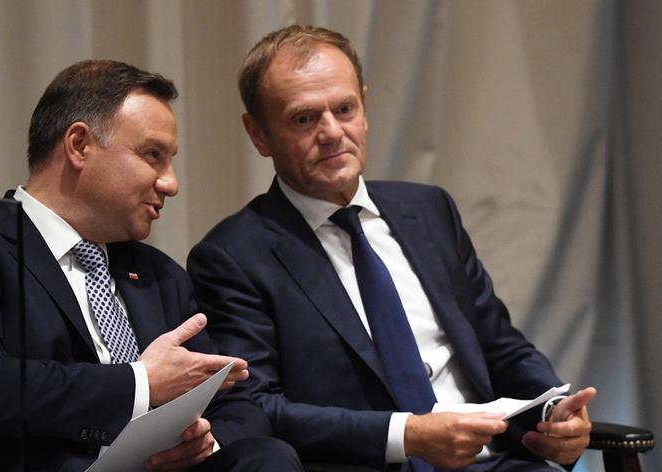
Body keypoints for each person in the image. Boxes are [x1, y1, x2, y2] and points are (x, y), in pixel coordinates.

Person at [187, 25, 596, 471]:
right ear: (259, 134)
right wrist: (407, 436)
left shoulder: (429, 210)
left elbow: (500, 347)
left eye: (345, 109)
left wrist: (554, 411)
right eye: (303, 119)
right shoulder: (233, 257)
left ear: (364, 108)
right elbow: (256, 408)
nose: (332, 132)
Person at [0, 59, 301, 472]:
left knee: (267, 457)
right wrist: (142, 383)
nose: (171, 183)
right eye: (153, 155)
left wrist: (202, 444)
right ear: (79, 145)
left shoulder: (159, 275)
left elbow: (237, 404)